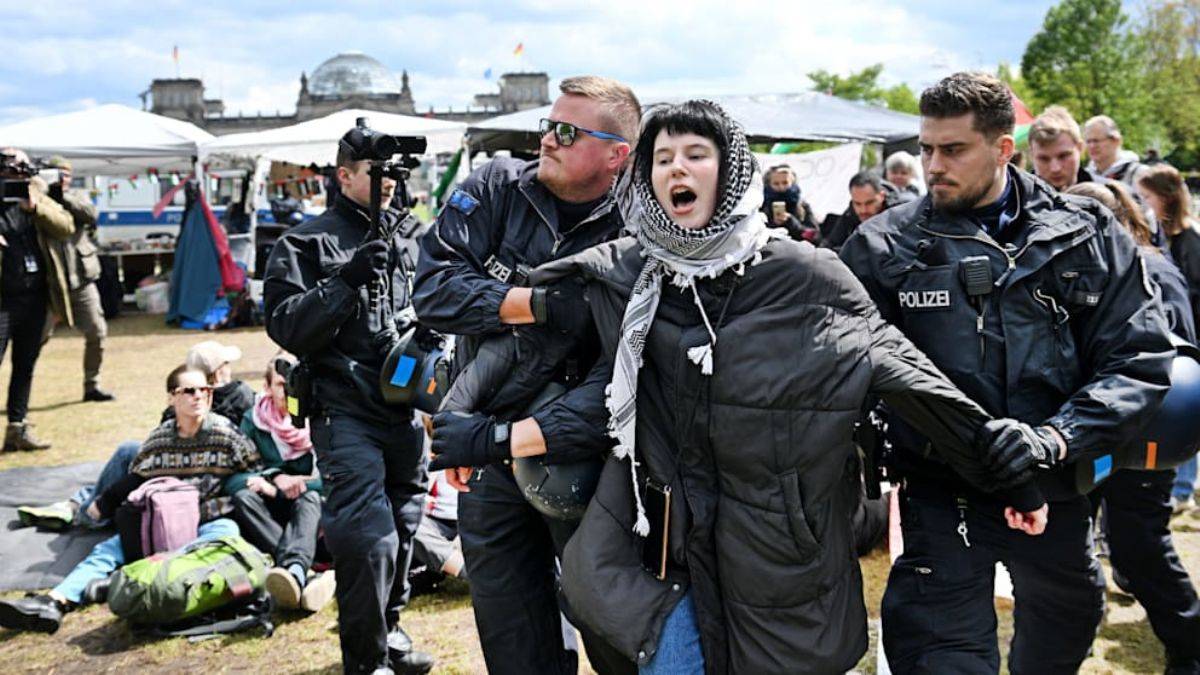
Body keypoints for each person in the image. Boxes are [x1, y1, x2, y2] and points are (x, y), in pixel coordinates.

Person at [437, 99, 1050, 674]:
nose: (678, 167)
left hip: (779, 561)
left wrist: (1008, 472)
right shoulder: (626, 275)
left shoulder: (804, 277)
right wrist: (477, 430)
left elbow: (914, 382)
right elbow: (553, 360)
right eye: (663, 158)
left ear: (729, 168)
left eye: (695, 153)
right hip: (667, 559)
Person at [840, 72, 1174, 674]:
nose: (933, 165)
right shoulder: (883, 247)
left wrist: (1054, 438)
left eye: (953, 149)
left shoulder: (1086, 234)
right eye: (926, 148)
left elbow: (1139, 358)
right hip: (941, 493)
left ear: (1002, 149)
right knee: (939, 651)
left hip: (1057, 482)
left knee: (1067, 619)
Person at [412, 75, 641, 675]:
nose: (550, 139)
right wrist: (537, 304)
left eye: (569, 130)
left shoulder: (641, 221)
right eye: (548, 124)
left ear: (617, 155)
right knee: (515, 641)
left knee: (615, 633)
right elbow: (434, 291)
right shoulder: (495, 186)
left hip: (590, 456)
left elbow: (626, 362)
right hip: (481, 448)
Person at [264, 125, 433, 674]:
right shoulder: (304, 242)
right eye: (375, 174)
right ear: (344, 176)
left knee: (406, 523)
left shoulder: (415, 235)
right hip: (343, 409)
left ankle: (392, 629)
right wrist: (346, 282)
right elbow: (286, 326)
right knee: (368, 537)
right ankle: (367, 660)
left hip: (404, 407)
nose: (388, 186)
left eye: (395, 177)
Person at [0, 364, 258, 634]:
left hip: (206, 521)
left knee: (226, 536)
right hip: (161, 522)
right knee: (107, 550)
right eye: (189, 390)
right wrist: (103, 504)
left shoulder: (227, 435)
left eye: (204, 390)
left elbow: (252, 472)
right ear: (172, 398)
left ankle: (123, 584)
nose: (199, 396)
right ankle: (54, 601)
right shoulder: (159, 439)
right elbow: (136, 477)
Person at [1066, 180, 1200, 673]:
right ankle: (1073, 636)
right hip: (1092, 432)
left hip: (1146, 436)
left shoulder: (1153, 271)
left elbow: (1176, 358)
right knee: (1072, 545)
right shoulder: (1084, 270)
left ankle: (1189, 645)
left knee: (1138, 546)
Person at [228, 354, 334, 612]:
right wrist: (273, 478)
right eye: (279, 383)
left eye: (294, 382)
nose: (288, 389)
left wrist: (302, 483)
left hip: (316, 512)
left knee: (308, 500)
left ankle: (293, 570)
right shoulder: (253, 420)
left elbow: (336, 478)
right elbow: (234, 477)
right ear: (266, 387)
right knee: (244, 497)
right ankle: (299, 570)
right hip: (274, 507)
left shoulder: (323, 416)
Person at [0, 148, 74, 452]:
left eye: (23, 165)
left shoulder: (35, 194)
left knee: (25, 365)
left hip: (34, 296)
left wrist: (35, 207)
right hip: (2, 300)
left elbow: (66, 226)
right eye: (13, 165)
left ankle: (17, 429)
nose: (20, 170)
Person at [1137, 164, 1200, 514]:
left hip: (1190, 341)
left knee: (1185, 410)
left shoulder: (1190, 239)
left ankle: (1184, 487)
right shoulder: (1165, 237)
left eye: (1146, 197)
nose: (1143, 204)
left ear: (1165, 197)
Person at [39, 156, 114, 402]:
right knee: (36, 339)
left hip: (80, 279)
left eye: (66, 175)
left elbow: (92, 215)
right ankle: (23, 387)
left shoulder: (77, 197)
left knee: (97, 331)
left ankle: (92, 385)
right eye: (58, 175)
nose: (63, 180)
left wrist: (65, 198)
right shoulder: (36, 199)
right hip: (48, 284)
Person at [819, 170, 913, 252]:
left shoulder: (900, 212)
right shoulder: (851, 213)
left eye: (869, 203)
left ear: (882, 196)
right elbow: (831, 243)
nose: (863, 210)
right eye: (858, 203)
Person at [1029, 105, 1097, 191]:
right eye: (1044, 159)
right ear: (1031, 155)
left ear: (1080, 148)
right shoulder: (1016, 200)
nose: (1055, 168)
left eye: (1063, 156)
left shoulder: (1107, 196)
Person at [760, 164, 819, 242]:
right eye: (776, 184)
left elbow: (814, 237)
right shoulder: (762, 205)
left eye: (785, 183)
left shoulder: (802, 206)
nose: (781, 187)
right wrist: (773, 224)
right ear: (769, 184)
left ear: (792, 182)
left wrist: (791, 222)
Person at [1084, 114, 1147, 187]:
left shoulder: (1139, 174)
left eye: (1096, 141)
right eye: (1088, 141)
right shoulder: (1084, 176)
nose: (1092, 146)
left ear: (1116, 141)